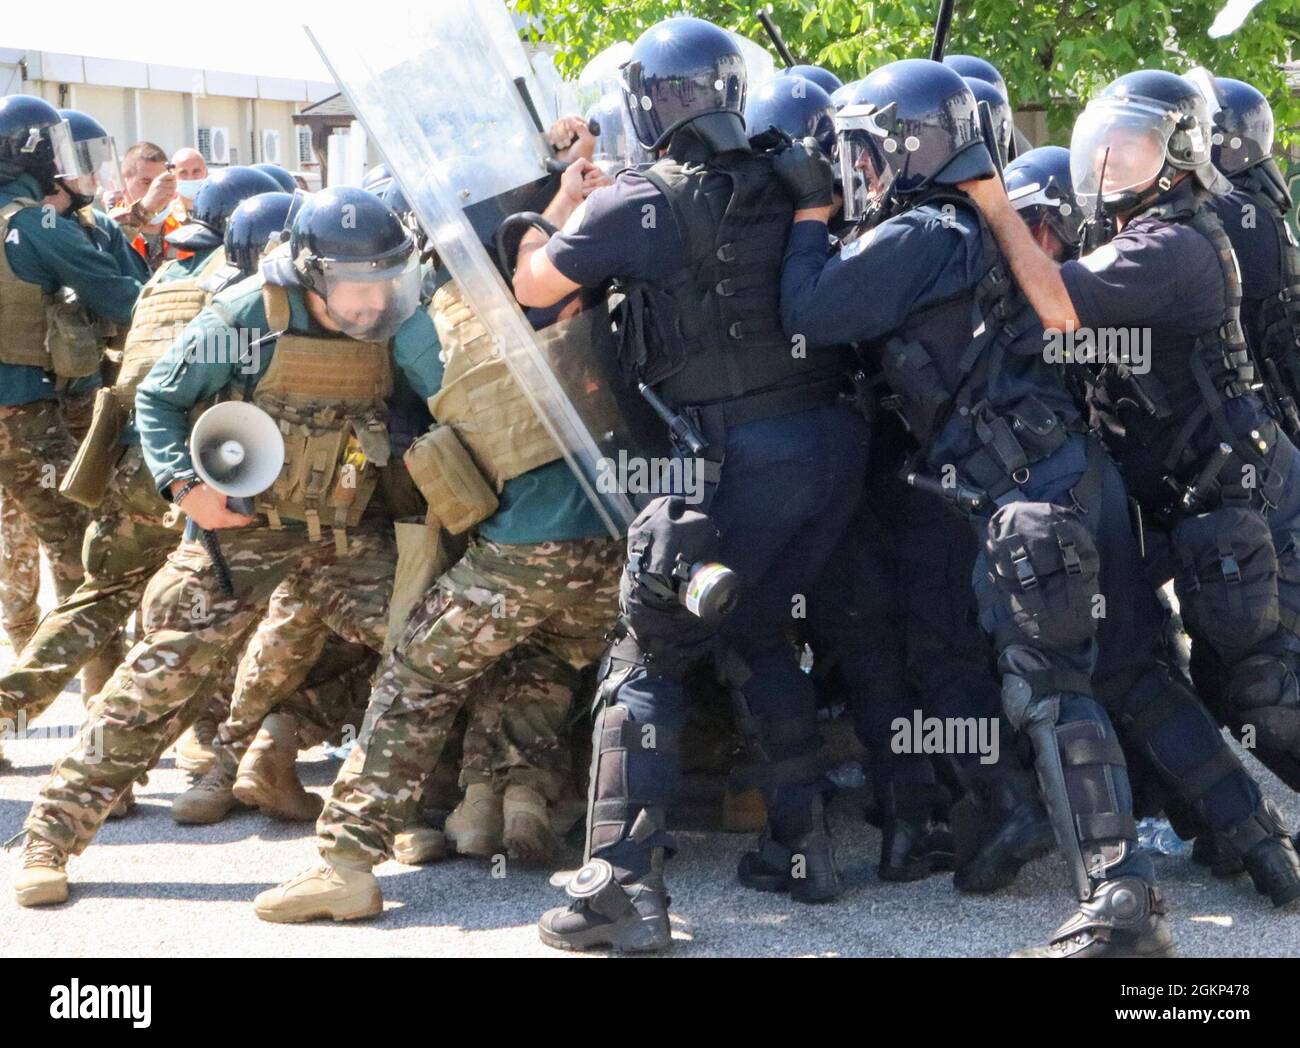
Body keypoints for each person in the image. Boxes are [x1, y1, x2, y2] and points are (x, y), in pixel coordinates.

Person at [511, 16, 869, 953]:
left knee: (647, 656)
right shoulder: (790, 177)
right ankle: (805, 847)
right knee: (757, 629)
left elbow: (537, 289)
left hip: (726, 459)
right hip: (828, 452)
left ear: (646, 102)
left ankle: (620, 891)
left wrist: (558, 199)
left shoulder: (638, 201)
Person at [11, 186, 433, 908]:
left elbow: (447, 391)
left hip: (343, 528)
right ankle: (51, 835)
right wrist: (185, 487)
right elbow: (158, 398)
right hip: (244, 525)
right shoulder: (247, 312)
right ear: (308, 271)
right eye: (352, 286)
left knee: (425, 649)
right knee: (160, 671)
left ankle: (398, 818)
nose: (368, 302)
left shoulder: (394, 316)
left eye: (381, 284)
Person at [961, 68, 1300, 918]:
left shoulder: (1172, 244)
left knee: (1265, 689)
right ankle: (1246, 840)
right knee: (1230, 685)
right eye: (1105, 147)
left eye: (1136, 147)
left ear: (1181, 152)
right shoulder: (1143, 236)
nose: (1112, 166)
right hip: (1211, 507)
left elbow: (1058, 307)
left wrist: (991, 204)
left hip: (1258, 500)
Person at [169, 147, 208, 220]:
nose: (190, 178)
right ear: (173, 175)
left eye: (196, 171)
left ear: (206, 173)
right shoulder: (166, 216)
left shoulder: (220, 211)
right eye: (183, 172)